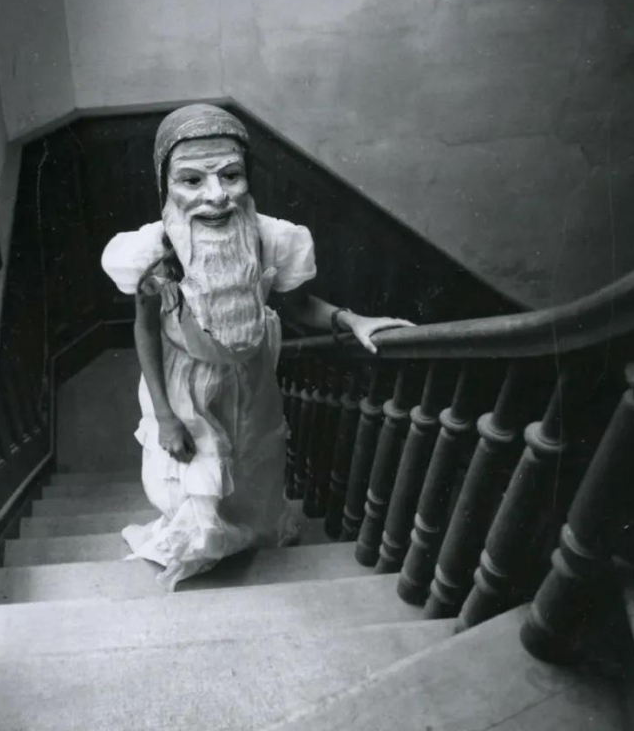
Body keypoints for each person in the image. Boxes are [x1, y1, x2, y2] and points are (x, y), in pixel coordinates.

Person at [101, 104, 413, 590]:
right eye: (191, 180)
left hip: (251, 373)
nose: (217, 196)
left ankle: (241, 534)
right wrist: (165, 415)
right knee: (192, 473)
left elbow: (298, 304)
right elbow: (144, 327)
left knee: (249, 460)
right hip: (184, 378)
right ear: (166, 184)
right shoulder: (150, 250)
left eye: (231, 175)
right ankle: (203, 547)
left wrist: (350, 320)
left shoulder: (271, 238)